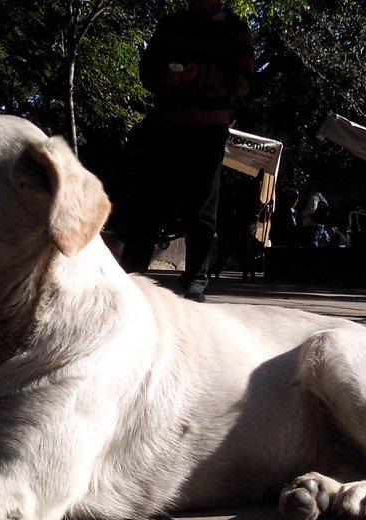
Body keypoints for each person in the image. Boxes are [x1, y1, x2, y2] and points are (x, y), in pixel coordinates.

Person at [118, 0, 254, 302]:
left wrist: (200, 75)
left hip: (208, 127)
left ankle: (195, 278)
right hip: (166, 124)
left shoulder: (236, 30)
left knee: (202, 206)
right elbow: (147, 72)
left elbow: (242, 83)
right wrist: (163, 76)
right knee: (147, 203)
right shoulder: (171, 25)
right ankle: (131, 274)